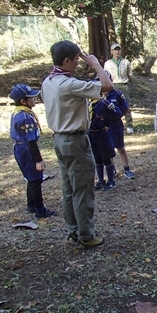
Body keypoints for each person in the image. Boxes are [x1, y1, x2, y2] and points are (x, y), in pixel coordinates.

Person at [41, 40, 113, 249]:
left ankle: (74, 231)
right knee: (82, 189)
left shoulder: (49, 81)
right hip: (75, 140)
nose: (77, 64)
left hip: (59, 138)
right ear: (66, 60)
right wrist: (96, 65)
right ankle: (86, 235)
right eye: (75, 60)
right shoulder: (69, 84)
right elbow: (107, 86)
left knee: (69, 188)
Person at [9, 84, 56, 219]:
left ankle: (31, 205)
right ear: (24, 101)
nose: (35, 100)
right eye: (32, 98)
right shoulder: (25, 117)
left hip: (20, 147)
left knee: (30, 178)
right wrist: (38, 160)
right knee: (35, 179)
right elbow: (31, 141)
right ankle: (40, 210)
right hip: (26, 149)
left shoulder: (18, 112)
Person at [89, 85, 123, 191]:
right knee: (97, 159)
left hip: (102, 134)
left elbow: (117, 113)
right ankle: (100, 180)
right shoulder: (88, 104)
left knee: (106, 158)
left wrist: (108, 123)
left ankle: (111, 181)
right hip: (91, 133)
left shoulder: (104, 103)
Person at [103, 73, 136, 180]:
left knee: (120, 147)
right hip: (103, 126)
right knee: (107, 149)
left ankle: (126, 169)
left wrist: (117, 116)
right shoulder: (97, 94)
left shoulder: (117, 93)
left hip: (115, 124)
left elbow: (125, 108)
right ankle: (111, 170)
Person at [104, 43, 134, 133]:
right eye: (115, 50)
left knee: (126, 104)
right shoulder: (108, 63)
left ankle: (129, 125)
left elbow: (129, 75)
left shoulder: (126, 62)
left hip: (123, 85)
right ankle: (111, 123)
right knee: (111, 105)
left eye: (119, 50)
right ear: (111, 51)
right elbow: (106, 76)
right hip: (112, 86)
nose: (117, 51)